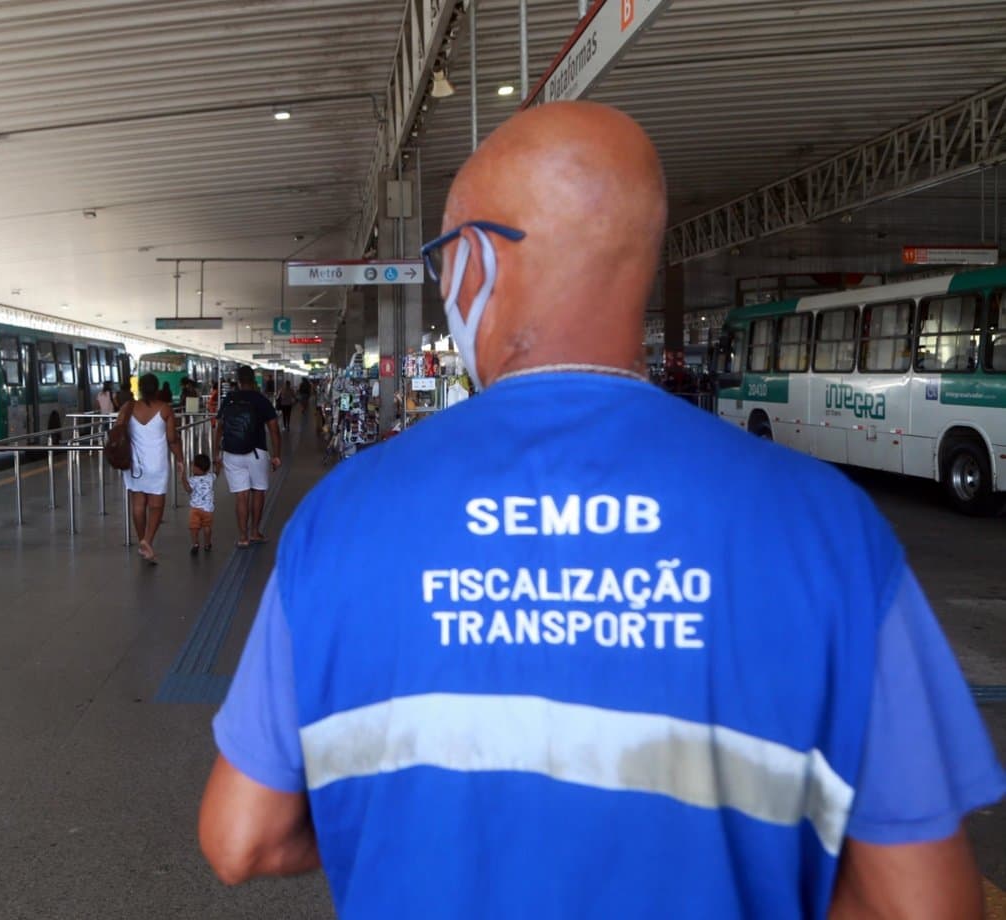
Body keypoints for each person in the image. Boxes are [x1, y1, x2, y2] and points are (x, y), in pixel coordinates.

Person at [198, 102, 1005, 918]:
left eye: (444, 260)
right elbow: (926, 908)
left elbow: (241, 837)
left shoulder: (342, 519)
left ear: (474, 263)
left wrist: (365, 826)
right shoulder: (831, 528)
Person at [118, 372, 183, 565]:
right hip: (158, 464)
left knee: (138, 505)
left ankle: (141, 541)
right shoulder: (165, 409)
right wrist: (180, 458)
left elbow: (117, 429)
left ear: (139, 388)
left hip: (134, 464)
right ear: (156, 389)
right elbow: (172, 439)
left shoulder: (128, 407)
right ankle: (148, 539)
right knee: (156, 504)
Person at [213, 365, 281, 548]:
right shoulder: (261, 400)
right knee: (258, 491)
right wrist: (276, 456)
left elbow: (219, 427)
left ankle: (242, 537)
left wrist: (215, 454)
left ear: (238, 380)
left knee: (241, 496)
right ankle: (255, 532)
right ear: (254, 380)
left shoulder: (230, 399)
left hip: (231, 452)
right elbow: (274, 429)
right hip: (257, 453)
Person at [178, 452, 216, 555]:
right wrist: (219, 464)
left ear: (197, 468)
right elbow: (217, 473)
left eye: (193, 465)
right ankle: (207, 544)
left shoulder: (193, 480)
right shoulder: (210, 477)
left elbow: (188, 489)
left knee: (194, 527)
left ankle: (195, 544)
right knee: (207, 527)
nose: (192, 467)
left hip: (195, 509)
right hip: (208, 509)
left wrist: (182, 477)